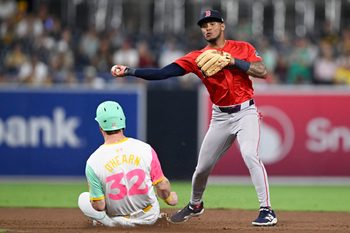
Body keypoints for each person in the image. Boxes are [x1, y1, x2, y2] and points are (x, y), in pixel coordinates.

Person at [110, 9, 277, 226]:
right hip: (220, 117)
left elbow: (263, 71)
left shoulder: (242, 48)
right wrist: (130, 71)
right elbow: (163, 73)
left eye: (212, 23)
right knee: (201, 168)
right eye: (203, 25)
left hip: (246, 112)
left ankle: (267, 210)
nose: (207, 28)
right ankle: (195, 205)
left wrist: (233, 61)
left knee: (249, 154)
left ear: (222, 25)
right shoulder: (197, 57)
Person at [78, 101, 178, 227]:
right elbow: (162, 186)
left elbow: (99, 206)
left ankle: (106, 223)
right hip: (150, 216)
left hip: (119, 222)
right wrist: (170, 199)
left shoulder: (93, 161)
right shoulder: (145, 149)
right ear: (123, 122)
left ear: (100, 127)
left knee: (83, 198)